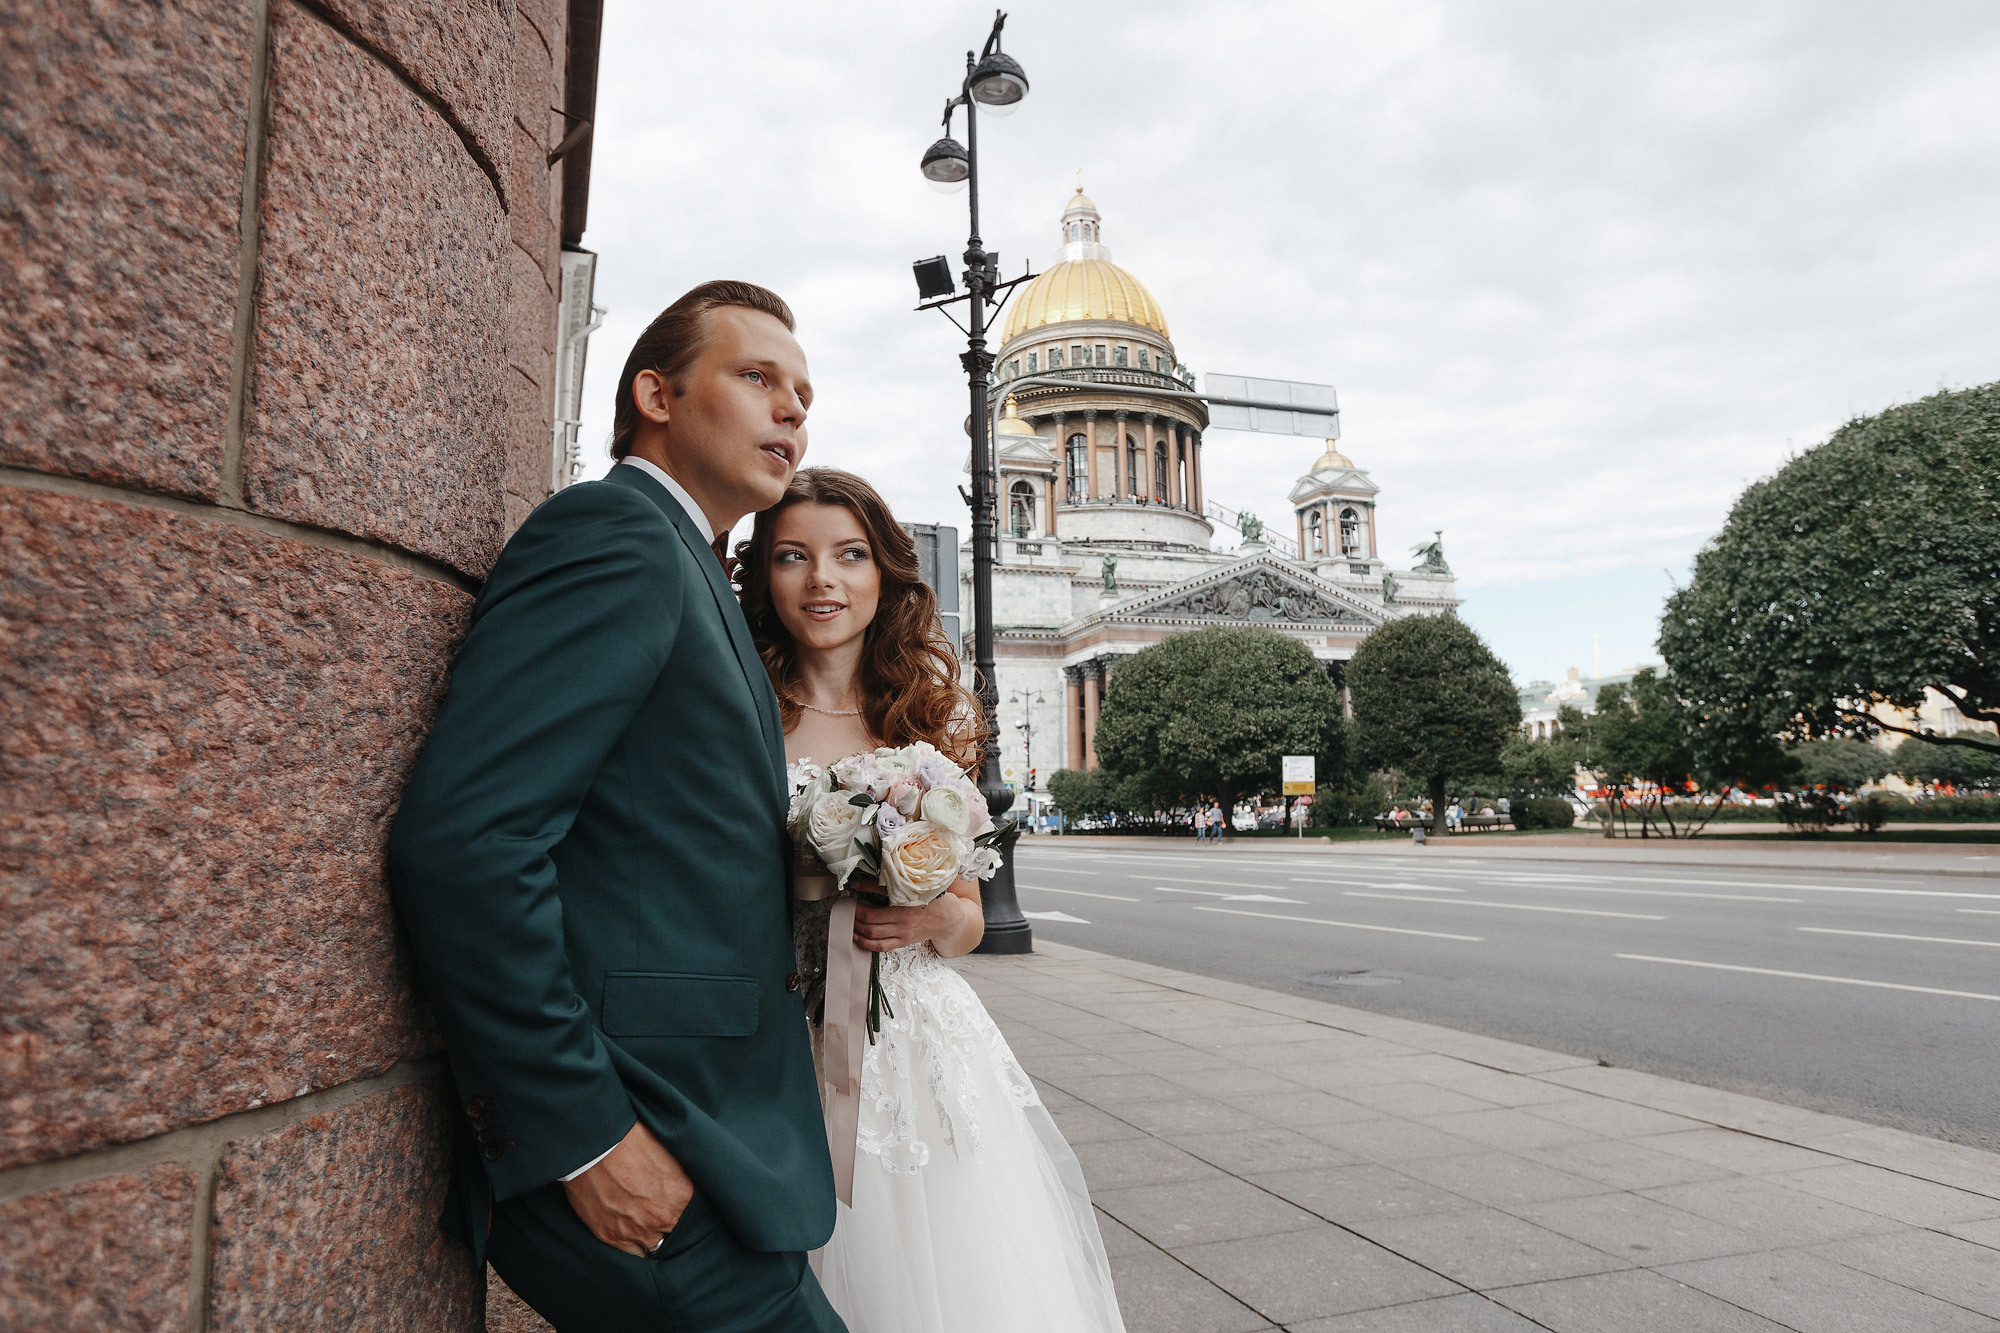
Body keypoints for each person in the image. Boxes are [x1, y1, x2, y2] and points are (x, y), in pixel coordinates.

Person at [388, 282, 844, 1331]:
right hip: (635, 1138)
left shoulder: (687, 562)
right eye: (757, 376)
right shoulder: (615, 535)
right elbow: (466, 842)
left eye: (804, 393)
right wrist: (585, 1136)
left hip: (709, 1137)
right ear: (655, 393)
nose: (792, 410)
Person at [738, 468, 1126, 1333]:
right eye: (793, 557)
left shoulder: (923, 716)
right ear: (765, 575)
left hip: (914, 1038)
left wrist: (935, 915)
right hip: (784, 1029)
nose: (822, 580)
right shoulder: (742, 712)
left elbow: (968, 917)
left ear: (884, 577)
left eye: (849, 556)